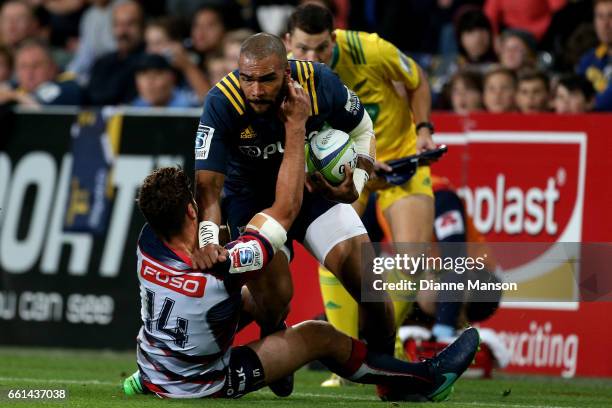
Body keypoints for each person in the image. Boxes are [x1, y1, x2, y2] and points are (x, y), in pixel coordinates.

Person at [121, 104, 480, 400]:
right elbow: (284, 212)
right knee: (317, 334)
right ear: (190, 210)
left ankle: (147, 376)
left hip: (158, 365)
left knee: (232, 303)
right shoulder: (226, 264)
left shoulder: (147, 244)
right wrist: (296, 133)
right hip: (203, 382)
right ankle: (425, 378)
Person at [192, 32, 397, 399]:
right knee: (273, 299)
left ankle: (392, 376)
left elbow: (363, 128)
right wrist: (208, 242)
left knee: (371, 286)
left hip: (312, 191)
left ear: (286, 72)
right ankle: (274, 337)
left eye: (266, 79)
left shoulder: (319, 82)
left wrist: (360, 180)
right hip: (252, 203)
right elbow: (208, 189)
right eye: (247, 78)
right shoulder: (221, 103)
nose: (255, 90)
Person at [284, 3, 437, 388]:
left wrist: (422, 129)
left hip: (398, 159)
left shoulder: (371, 49)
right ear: (289, 43)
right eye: (303, 49)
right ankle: (347, 362)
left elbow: (417, 79)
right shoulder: (282, 75)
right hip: (342, 169)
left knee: (413, 258)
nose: (312, 58)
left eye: (320, 49)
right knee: (334, 246)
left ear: (333, 39)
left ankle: (386, 346)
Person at [86, 0, 144, 106]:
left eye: (130, 24)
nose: (122, 31)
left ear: (142, 27)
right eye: (118, 24)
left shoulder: (148, 62)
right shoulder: (102, 62)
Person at [0, 39, 81, 106]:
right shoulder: (15, 86)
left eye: (36, 65)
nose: (29, 72)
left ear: (52, 67)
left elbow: (38, 109)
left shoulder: (67, 87)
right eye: (23, 66)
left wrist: (14, 96)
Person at [577, 0, 612, 111]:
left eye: (611, 16)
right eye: (600, 17)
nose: (605, 24)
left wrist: (591, 104)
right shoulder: (589, 59)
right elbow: (577, 93)